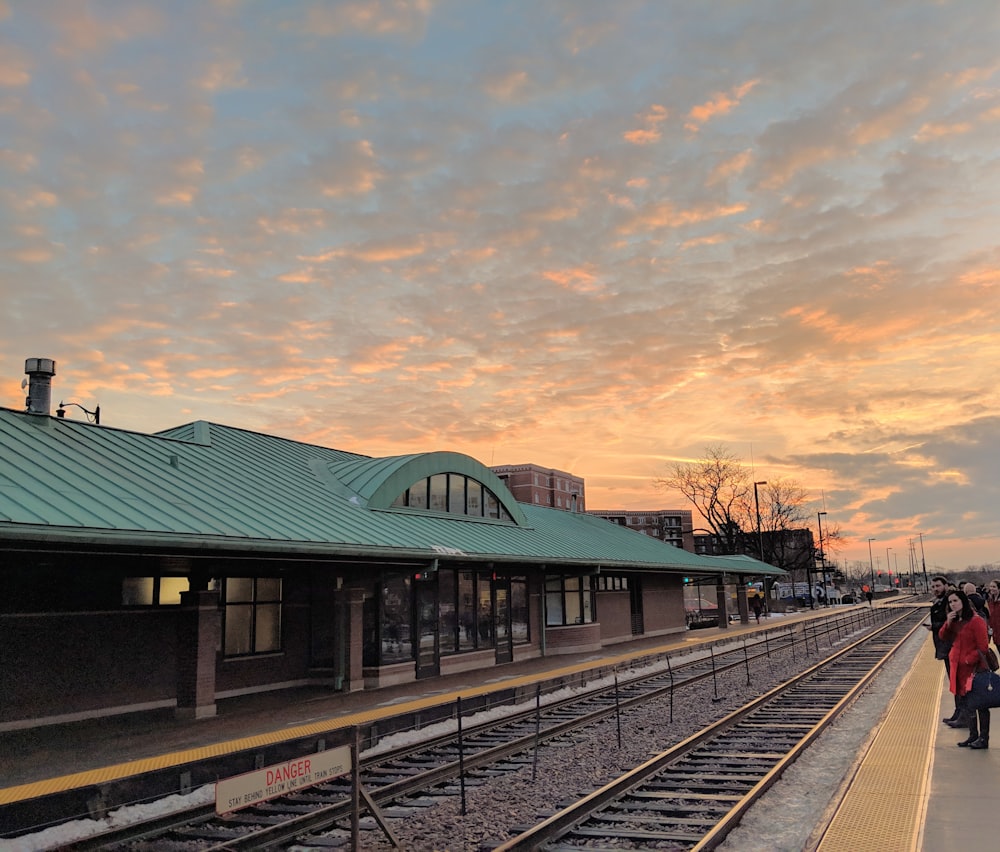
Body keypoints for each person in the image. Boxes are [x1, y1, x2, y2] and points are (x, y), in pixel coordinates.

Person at [939, 589, 990, 749]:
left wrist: (968, 660)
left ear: (963, 602)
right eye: (950, 602)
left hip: (974, 669)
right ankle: (973, 735)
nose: (953, 604)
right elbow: (943, 636)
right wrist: (948, 622)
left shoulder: (976, 621)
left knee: (980, 703)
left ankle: (983, 738)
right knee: (966, 702)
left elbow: (983, 647)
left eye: (955, 601)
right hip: (959, 669)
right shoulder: (956, 620)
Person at [928, 576, 959, 724]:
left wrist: (934, 626)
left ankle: (963, 714)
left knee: (958, 681)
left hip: (953, 646)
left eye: (938, 586)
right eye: (933, 587)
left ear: (946, 585)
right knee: (954, 681)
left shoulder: (952, 601)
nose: (935, 589)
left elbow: (955, 622)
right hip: (946, 647)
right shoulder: (939, 603)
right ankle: (959, 712)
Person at [986, 580, 1000, 650]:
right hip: (995, 633)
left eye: (994, 587)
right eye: (991, 586)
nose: (991, 588)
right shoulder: (989, 601)